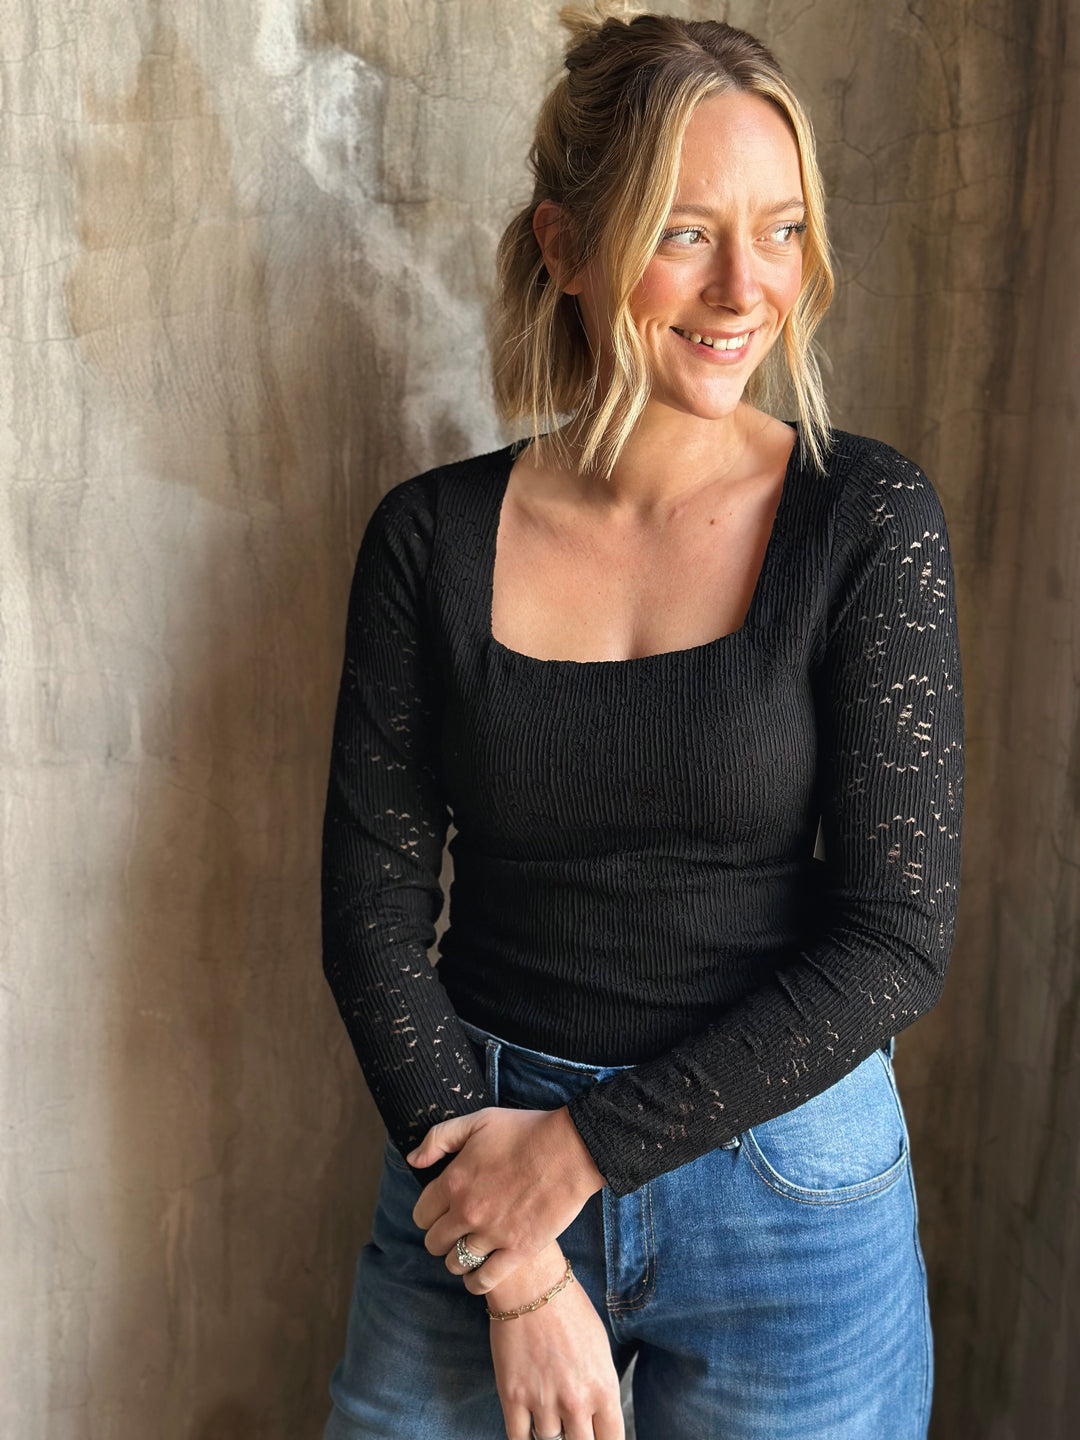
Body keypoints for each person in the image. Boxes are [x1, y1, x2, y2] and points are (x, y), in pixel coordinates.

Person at [319, 5, 965, 1439]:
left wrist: (577, 1159)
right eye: (686, 232)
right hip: (474, 1158)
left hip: (789, 1187)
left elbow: (897, 936)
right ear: (563, 246)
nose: (749, 288)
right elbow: (369, 915)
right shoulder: (428, 541)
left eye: (783, 229)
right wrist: (517, 1256)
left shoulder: (864, 520)